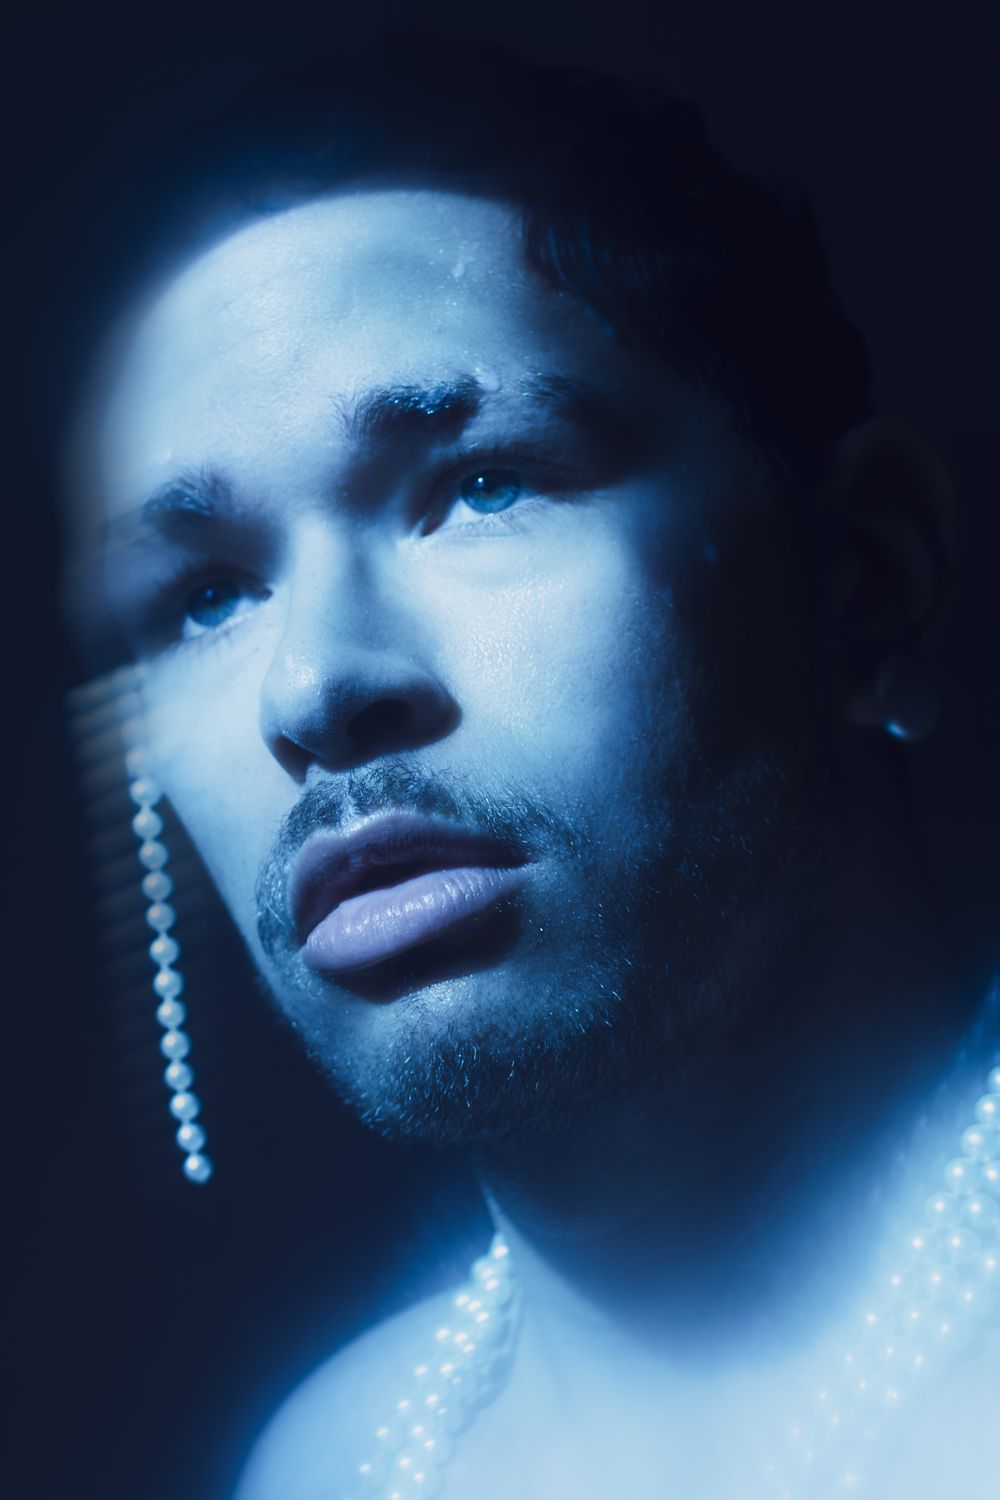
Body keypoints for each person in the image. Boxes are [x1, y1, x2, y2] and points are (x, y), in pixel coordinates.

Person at [65, 29, 999, 1500]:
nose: (314, 688)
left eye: (482, 485)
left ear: (863, 574)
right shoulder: (326, 1466)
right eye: (206, 595)